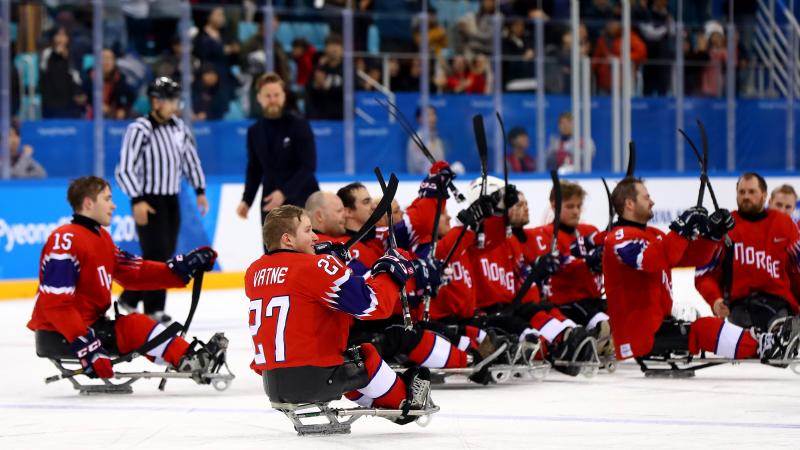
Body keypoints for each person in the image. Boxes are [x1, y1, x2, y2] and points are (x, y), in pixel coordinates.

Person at [246, 205, 433, 423]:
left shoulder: (254, 272)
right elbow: (372, 305)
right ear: (288, 240)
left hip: (273, 383)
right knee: (362, 356)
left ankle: (392, 400)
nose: (315, 236)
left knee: (340, 358)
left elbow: (301, 291)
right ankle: (405, 402)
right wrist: (389, 274)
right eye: (307, 231)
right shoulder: (314, 267)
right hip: (314, 379)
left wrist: (333, 264)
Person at [28, 176, 224, 382]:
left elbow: (135, 272)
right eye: (107, 199)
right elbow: (56, 304)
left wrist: (180, 269)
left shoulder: (101, 238)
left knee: (133, 325)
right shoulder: (65, 239)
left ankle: (186, 357)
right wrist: (86, 345)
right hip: (61, 333)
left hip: (86, 328)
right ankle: (190, 359)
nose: (113, 205)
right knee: (134, 326)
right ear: (88, 203)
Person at [603, 177, 798, 364]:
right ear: (629, 204)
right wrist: (680, 229)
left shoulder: (653, 234)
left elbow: (690, 258)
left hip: (656, 326)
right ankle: (763, 346)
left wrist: (712, 236)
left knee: (704, 326)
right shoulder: (619, 237)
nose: (652, 202)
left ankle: (762, 343)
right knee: (703, 330)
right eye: (646, 197)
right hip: (637, 336)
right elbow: (650, 260)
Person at [115, 77, 209, 323]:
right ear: (155, 101)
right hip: (148, 198)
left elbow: (190, 159)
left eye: (176, 100)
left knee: (164, 253)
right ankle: (153, 309)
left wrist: (200, 189)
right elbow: (124, 168)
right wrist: (137, 199)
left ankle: (130, 299)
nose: (175, 105)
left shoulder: (179, 127)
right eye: (170, 100)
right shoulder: (140, 129)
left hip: (171, 198)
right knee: (154, 255)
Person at [696, 173, 800, 332]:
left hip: (778, 303)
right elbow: (705, 273)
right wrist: (715, 300)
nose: (746, 196)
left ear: (764, 195)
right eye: (742, 192)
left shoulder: (785, 225)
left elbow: (797, 272)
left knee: (777, 342)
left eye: (751, 192)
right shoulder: (724, 228)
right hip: (740, 306)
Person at [525, 181, 612, 356]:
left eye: (579, 206)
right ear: (554, 206)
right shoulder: (542, 234)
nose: (576, 211)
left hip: (593, 299)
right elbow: (555, 263)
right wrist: (586, 262)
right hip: (566, 304)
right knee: (603, 324)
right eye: (570, 206)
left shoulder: (590, 231)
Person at [237, 73, 319, 227]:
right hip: (271, 203)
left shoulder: (299, 125)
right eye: (268, 96)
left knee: (306, 249)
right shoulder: (254, 131)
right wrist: (247, 200)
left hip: (303, 198)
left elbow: (308, 165)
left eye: (276, 95)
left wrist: (283, 193)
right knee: (272, 250)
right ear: (259, 98)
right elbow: (254, 169)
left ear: (284, 96)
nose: (272, 100)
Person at [406, 106, 445, 175]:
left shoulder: (437, 140)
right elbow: (419, 167)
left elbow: (441, 162)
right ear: (419, 119)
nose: (432, 118)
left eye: (434, 114)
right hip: (419, 180)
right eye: (428, 115)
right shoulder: (416, 139)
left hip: (437, 179)